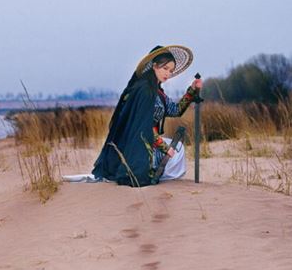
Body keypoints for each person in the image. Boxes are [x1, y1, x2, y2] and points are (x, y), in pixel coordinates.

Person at [64, 45, 201, 187]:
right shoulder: (144, 90)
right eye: (164, 68)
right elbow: (144, 128)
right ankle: (150, 171)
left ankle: (157, 171)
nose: (168, 74)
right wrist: (165, 148)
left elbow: (175, 110)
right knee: (174, 152)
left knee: (178, 148)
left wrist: (192, 90)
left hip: (150, 141)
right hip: (137, 144)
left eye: (171, 71)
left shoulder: (158, 92)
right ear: (154, 66)